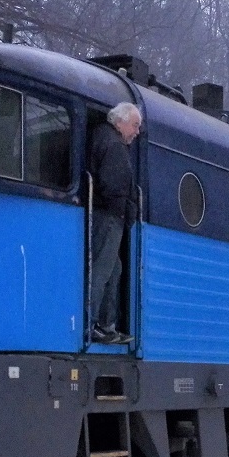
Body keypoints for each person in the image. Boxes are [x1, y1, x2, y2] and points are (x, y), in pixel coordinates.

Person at [87, 102, 140, 344]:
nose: (137, 132)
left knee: (114, 268)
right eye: (135, 125)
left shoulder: (103, 138)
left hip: (105, 214)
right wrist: (126, 213)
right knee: (101, 271)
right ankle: (92, 324)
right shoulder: (115, 146)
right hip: (109, 217)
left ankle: (106, 324)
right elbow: (114, 186)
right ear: (120, 122)